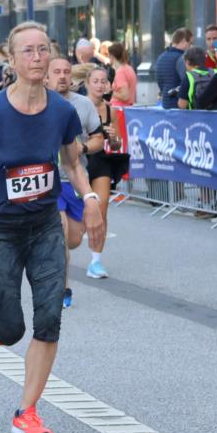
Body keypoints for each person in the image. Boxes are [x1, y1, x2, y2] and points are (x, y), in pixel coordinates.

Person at [0, 22, 105, 433]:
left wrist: (91, 199)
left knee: (49, 317)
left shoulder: (62, 112)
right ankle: (0, 320)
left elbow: (73, 162)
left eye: (44, 49)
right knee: (11, 330)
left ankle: (26, 411)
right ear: (12, 60)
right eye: (29, 51)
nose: (39, 57)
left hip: (45, 224)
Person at [46, 57, 105, 307]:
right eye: (56, 72)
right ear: (47, 76)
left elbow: (98, 139)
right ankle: (62, 287)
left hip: (76, 179)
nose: (62, 76)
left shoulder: (83, 104)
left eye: (66, 72)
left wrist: (82, 147)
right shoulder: (38, 102)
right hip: (49, 181)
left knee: (73, 239)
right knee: (58, 237)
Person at [83, 66, 128, 279]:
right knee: (72, 216)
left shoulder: (111, 110)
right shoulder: (76, 107)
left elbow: (118, 145)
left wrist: (112, 137)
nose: (101, 85)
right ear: (87, 84)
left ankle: (96, 261)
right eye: (96, 81)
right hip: (78, 160)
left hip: (101, 161)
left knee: (101, 210)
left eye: (104, 81)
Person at [156, 28, 193, 109]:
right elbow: (187, 81)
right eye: (190, 43)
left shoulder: (161, 57)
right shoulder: (182, 58)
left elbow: (159, 82)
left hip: (165, 103)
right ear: (183, 41)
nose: (190, 47)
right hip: (179, 105)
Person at [108, 42, 136, 106]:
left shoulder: (120, 72)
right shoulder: (129, 68)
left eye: (108, 55)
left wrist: (110, 91)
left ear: (112, 56)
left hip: (119, 109)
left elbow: (125, 96)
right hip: (126, 107)